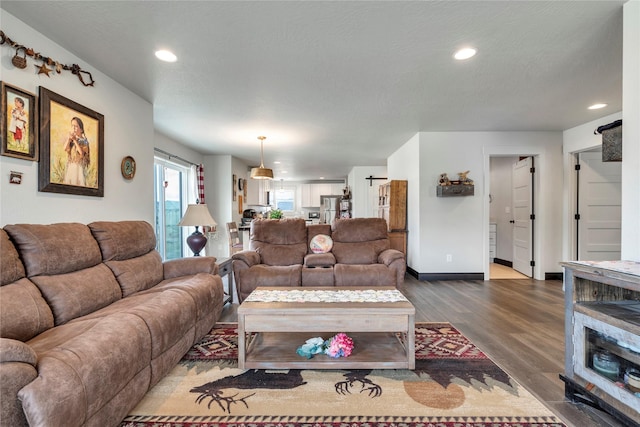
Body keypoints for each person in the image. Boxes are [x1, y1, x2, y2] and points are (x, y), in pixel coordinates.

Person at [63, 117, 90, 186]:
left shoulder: (84, 141)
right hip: (71, 166)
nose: (74, 128)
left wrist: (75, 140)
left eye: (76, 126)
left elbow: (81, 153)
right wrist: (69, 139)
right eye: (72, 126)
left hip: (79, 167)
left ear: (81, 129)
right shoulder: (71, 140)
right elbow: (65, 149)